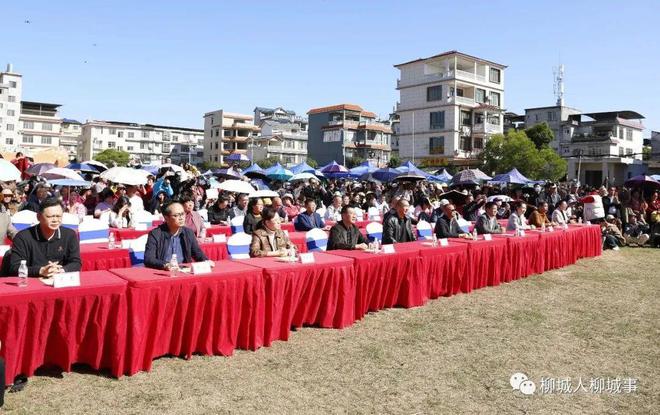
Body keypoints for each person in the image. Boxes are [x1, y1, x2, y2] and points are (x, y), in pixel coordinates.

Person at [8, 198, 81, 277]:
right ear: (38, 217)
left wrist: (61, 271)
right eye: (50, 216)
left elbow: (76, 262)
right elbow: (14, 267)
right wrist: (40, 271)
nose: (55, 220)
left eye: (58, 216)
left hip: (59, 279)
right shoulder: (22, 237)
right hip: (31, 280)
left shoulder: (70, 235)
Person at [144, 201, 211, 269]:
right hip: (164, 270)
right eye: (176, 215)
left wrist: (206, 261)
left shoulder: (188, 233)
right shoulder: (156, 234)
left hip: (184, 270)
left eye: (182, 214)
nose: (181, 218)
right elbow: (149, 259)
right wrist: (165, 265)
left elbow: (198, 253)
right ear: (166, 218)